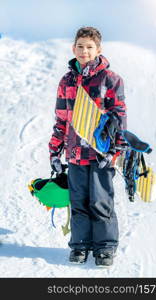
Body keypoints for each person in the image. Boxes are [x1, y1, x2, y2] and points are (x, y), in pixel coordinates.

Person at [48, 27, 127, 267]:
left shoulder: (111, 79)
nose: (85, 51)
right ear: (73, 48)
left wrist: (115, 151)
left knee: (101, 201)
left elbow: (119, 118)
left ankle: (105, 247)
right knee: (79, 201)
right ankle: (80, 245)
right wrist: (55, 150)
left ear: (99, 50)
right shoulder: (66, 81)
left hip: (101, 152)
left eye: (90, 47)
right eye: (80, 46)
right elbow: (62, 118)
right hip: (74, 153)